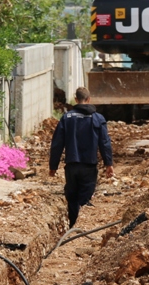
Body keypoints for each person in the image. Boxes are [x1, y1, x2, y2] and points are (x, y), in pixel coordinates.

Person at [49, 87, 114, 228]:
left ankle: (73, 224)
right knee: (85, 197)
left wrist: (53, 166)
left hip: (72, 165)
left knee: (72, 196)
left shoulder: (67, 118)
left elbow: (57, 144)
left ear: (76, 99)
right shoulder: (98, 118)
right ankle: (81, 228)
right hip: (89, 165)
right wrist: (109, 164)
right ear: (89, 99)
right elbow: (104, 142)